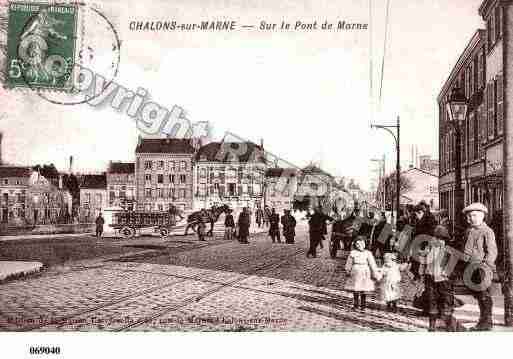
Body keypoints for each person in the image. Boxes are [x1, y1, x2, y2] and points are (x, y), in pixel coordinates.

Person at [420, 225, 464, 332]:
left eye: (441, 239)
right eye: (436, 238)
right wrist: (421, 272)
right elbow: (423, 262)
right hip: (430, 277)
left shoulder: (448, 250)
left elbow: (453, 264)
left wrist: (447, 273)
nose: (439, 240)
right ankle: (432, 324)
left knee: (446, 301)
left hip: (444, 280)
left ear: (445, 240)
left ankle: (448, 323)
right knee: (432, 300)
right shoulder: (429, 249)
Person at [462, 202, 497, 331]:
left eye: (473, 215)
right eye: (468, 216)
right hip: (471, 267)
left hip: (482, 269)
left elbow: (492, 251)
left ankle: (487, 322)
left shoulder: (487, 231)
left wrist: (486, 266)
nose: (470, 219)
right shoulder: (469, 231)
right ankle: (482, 320)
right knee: (478, 295)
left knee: (484, 295)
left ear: (482, 216)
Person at [345, 236, 379, 311]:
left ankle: (363, 305)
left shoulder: (368, 253)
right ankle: (356, 304)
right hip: (355, 272)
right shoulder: (353, 253)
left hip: (365, 271)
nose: (360, 245)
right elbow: (349, 263)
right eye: (358, 244)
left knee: (363, 289)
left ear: (365, 244)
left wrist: (375, 272)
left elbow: (372, 264)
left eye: (362, 243)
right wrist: (348, 270)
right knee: (356, 288)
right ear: (355, 245)